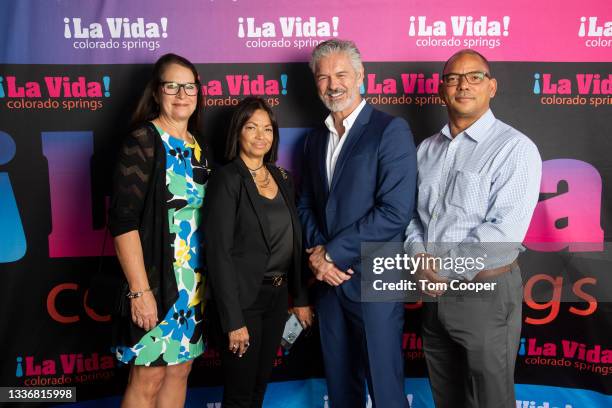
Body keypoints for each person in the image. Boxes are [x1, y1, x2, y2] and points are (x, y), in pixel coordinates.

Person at [404, 49, 542, 408]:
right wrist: (418, 257)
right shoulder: (426, 150)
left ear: (492, 87)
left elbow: (503, 232)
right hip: (434, 295)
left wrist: (443, 271)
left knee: (490, 399)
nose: (463, 85)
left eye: (474, 76)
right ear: (441, 91)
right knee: (446, 396)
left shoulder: (514, 148)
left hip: (486, 290)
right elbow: (413, 218)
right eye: (453, 78)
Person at [298, 39, 417, 407]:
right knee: (340, 387)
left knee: (385, 388)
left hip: (374, 281)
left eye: (341, 74)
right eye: (323, 77)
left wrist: (331, 254)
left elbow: (395, 211)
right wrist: (320, 260)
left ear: (361, 76)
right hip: (329, 286)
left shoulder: (389, 130)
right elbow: (305, 205)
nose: (333, 84)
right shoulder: (315, 139)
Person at [108, 53, 210, 407]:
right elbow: (123, 223)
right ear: (156, 92)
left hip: (192, 285)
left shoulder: (200, 147)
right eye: (172, 85)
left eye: (189, 86)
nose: (181, 94)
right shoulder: (143, 141)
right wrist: (140, 291)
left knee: (180, 370)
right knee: (148, 375)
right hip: (154, 282)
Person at [204, 96, 313, 408]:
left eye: (267, 129)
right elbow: (219, 254)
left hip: (277, 299)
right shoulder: (227, 179)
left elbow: (294, 240)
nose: (260, 135)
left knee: (258, 390)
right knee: (239, 395)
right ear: (238, 131)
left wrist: (300, 298)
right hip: (243, 302)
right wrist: (233, 320)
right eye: (251, 127)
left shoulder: (282, 178)